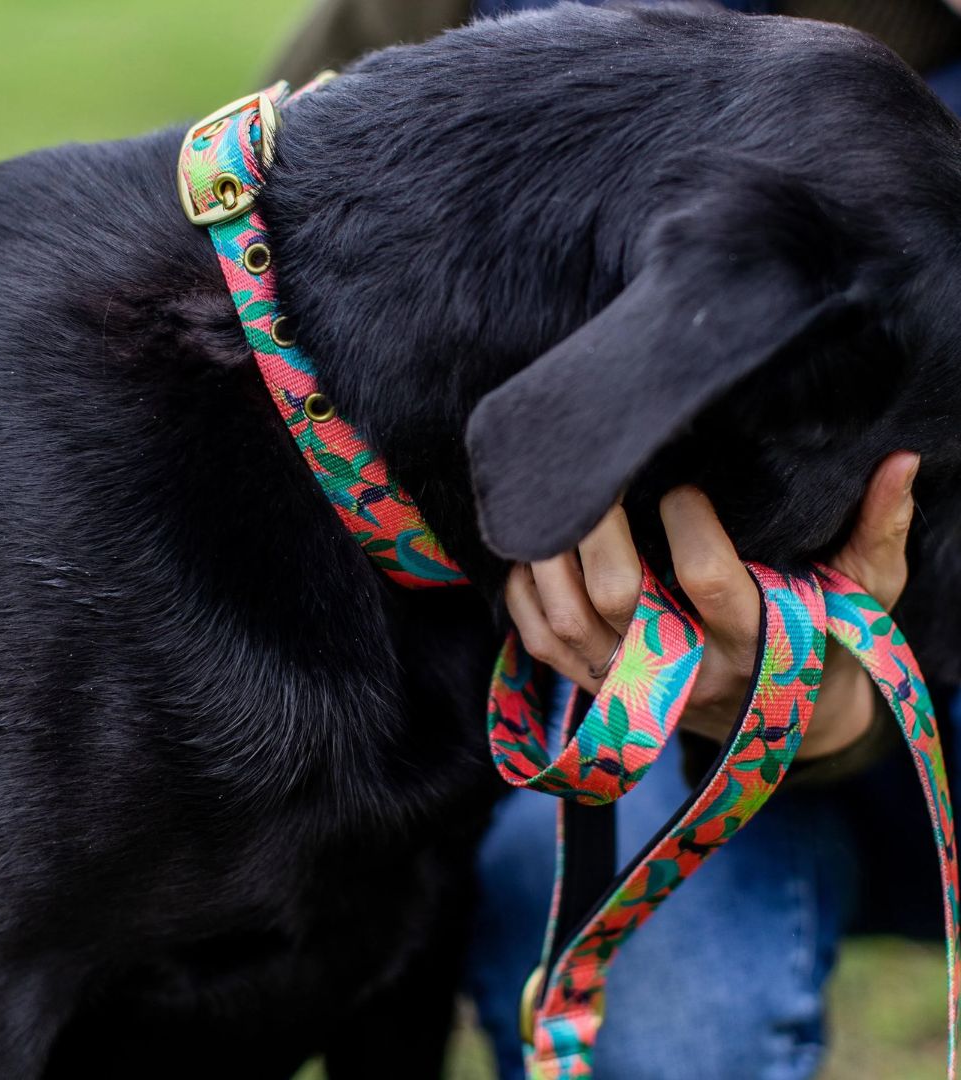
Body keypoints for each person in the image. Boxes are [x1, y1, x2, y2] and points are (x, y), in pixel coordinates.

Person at [273, 3, 961, 1076]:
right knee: (671, 1025)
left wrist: (844, 704)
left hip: (904, 674)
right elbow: (301, 243)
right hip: (617, 619)